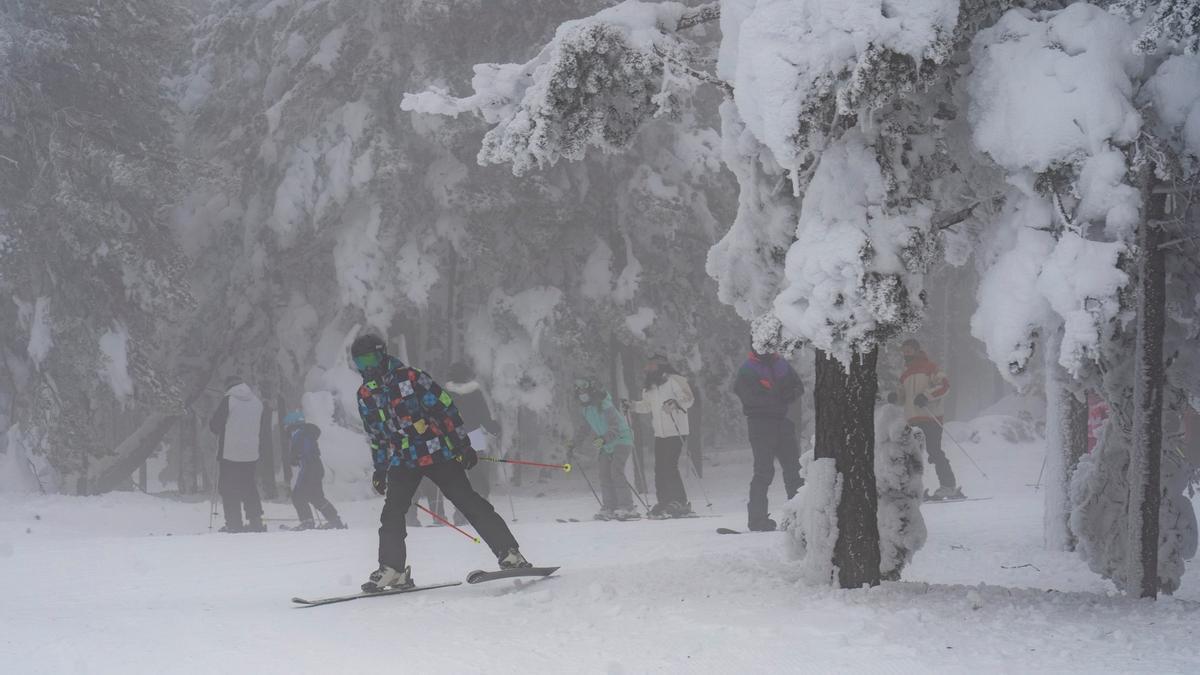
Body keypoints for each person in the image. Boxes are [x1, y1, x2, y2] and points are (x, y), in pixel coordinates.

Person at [350, 334, 531, 592]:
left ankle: (510, 553)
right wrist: (380, 468)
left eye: (369, 359)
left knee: (468, 501)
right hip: (403, 459)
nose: (365, 367)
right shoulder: (366, 393)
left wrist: (462, 444)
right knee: (391, 513)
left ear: (381, 355)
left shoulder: (410, 378)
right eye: (359, 362)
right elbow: (377, 436)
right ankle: (393, 570)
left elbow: (445, 409)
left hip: (436, 452)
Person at [734, 348, 803, 531]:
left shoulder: (781, 364)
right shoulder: (747, 368)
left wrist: (787, 394)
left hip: (781, 421)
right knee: (764, 472)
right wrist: (778, 395)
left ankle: (799, 516)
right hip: (760, 424)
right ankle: (757, 519)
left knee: (794, 470)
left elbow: (798, 386)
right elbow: (746, 396)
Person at [623, 354, 695, 518]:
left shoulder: (675, 379)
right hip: (660, 433)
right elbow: (647, 406)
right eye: (648, 366)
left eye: (652, 365)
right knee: (659, 468)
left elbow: (688, 399)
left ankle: (679, 501)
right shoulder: (650, 386)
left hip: (677, 430)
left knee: (669, 465)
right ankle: (664, 501)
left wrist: (675, 403)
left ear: (661, 366)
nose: (649, 369)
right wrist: (632, 405)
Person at [895, 339, 962, 500]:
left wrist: (926, 396)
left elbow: (944, 385)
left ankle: (948, 486)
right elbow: (901, 398)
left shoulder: (930, 367)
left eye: (909, 350)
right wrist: (894, 397)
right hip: (912, 421)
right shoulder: (904, 374)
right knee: (911, 456)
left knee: (934, 452)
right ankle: (913, 489)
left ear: (917, 350)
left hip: (931, 417)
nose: (906, 354)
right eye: (904, 351)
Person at [572, 376, 639, 521]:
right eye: (580, 392)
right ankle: (610, 507)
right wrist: (573, 444)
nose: (582, 395)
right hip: (606, 443)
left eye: (585, 391)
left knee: (616, 471)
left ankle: (627, 507)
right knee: (604, 474)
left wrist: (603, 439)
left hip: (622, 439)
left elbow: (615, 427)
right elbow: (584, 429)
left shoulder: (605, 405)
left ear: (591, 391)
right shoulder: (586, 409)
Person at [444, 361, 501, 524]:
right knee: (478, 470)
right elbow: (483, 415)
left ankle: (460, 513)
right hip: (475, 435)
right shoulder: (475, 392)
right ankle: (482, 507)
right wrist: (493, 427)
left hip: (453, 436)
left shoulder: (445, 393)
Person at [209, 376, 265, 533]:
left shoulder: (229, 400)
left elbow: (215, 426)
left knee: (229, 488)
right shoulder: (257, 402)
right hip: (251, 453)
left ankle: (234, 524)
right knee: (249, 486)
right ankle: (256, 521)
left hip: (230, 453)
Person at [283, 411, 345, 530]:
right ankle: (334, 520)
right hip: (316, 467)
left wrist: (297, 456)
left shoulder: (300, 434)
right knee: (316, 496)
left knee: (298, 495)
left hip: (309, 468)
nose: (286, 430)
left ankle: (307, 522)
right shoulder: (305, 432)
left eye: (286, 426)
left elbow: (305, 451)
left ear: (292, 424)